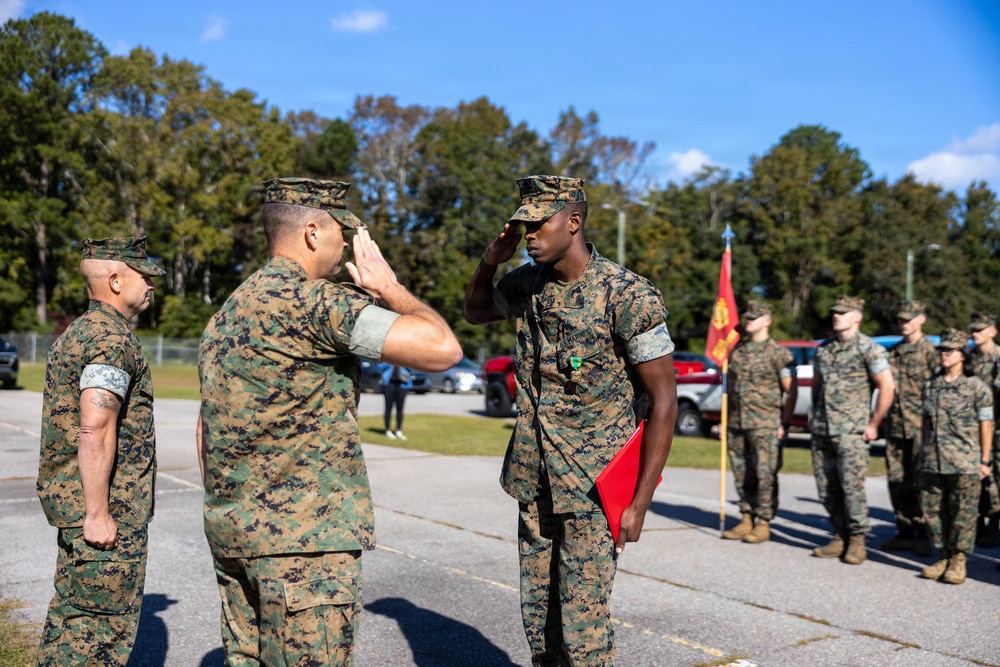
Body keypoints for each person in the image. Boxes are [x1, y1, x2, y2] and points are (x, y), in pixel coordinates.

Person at [197, 178, 462, 666]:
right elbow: (442, 348)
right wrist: (390, 288)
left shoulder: (227, 313)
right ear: (313, 231)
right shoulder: (316, 304)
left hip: (235, 535)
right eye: (342, 232)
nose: (346, 246)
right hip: (305, 549)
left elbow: (206, 425)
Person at [463, 175, 677, 666]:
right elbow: (475, 311)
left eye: (537, 223)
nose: (528, 234)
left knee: (583, 629)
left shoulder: (627, 295)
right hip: (534, 478)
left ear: (573, 222)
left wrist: (640, 502)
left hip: (595, 486)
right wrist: (490, 261)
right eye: (523, 224)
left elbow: (664, 400)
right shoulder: (525, 285)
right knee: (540, 624)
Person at [35, 237, 165, 665]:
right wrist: (97, 513)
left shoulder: (80, 332)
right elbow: (95, 427)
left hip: (81, 511)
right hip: (103, 518)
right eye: (144, 276)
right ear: (114, 280)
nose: (151, 285)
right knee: (94, 642)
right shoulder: (110, 341)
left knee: (73, 628)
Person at [810, 295, 895, 565]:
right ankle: (839, 534)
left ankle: (857, 539)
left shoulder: (869, 349)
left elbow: (887, 386)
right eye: (835, 312)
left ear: (857, 316)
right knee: (826, 487)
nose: (837, 316)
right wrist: (814, 417)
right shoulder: (823, 348)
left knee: (851, 487)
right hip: (824, 429)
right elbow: (817, 384)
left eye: (843, 313)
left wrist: (873, 423)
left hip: (852, 431)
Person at [918, 328, 993, 585]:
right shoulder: (930, 386)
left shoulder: (977, 388)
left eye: (949, 350)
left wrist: (984, 461)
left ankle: (958, 560)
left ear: (962, 355)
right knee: (934, 513)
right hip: (932, 461)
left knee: (963, 514)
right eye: (941, 350)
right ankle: (942, 556)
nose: (944, 355)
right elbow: (924, 425)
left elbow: (986, 425)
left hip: (964, 462)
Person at [721, 300, 797, 544]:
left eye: (754, 317)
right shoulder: (738, 352)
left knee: (765, 475)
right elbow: (731, 390)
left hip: (766, 424)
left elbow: (791, 391)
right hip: (737, 423)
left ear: (767, 321)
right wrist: (725, 419)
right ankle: (746, 517)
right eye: (747, 317)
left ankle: (763, 522)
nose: (748, 321)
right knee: (742, 473)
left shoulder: (779, 354)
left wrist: (784, 423)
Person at [881, 300, 938, 554]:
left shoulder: (932, 352)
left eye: (909, 319)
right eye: (901, 320)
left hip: (922, 430)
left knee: (922, 482)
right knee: (897, 480)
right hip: (895, 427)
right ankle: (904, 531)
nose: (904, 324)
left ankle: (925, 534)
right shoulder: (892, 353)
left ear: (921, 319)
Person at [968, 311, 1000, 549]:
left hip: (996, 429)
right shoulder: (968, 358)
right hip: (973, 430)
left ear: (993, 331)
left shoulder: (999, 358)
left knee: (996, 481)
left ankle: (995, 525)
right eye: (973, 329)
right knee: (974, 478)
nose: (975, 333)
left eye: (980, 329)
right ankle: (976, 524)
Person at [381, 364, 412, 439]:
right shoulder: (388, 359)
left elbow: (410, 368)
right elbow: (380, 366)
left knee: (400, 408)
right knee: (388, 407)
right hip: (389, 384)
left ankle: (399, 430)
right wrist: (390, 361)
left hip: (402, 384)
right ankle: (388, 429)